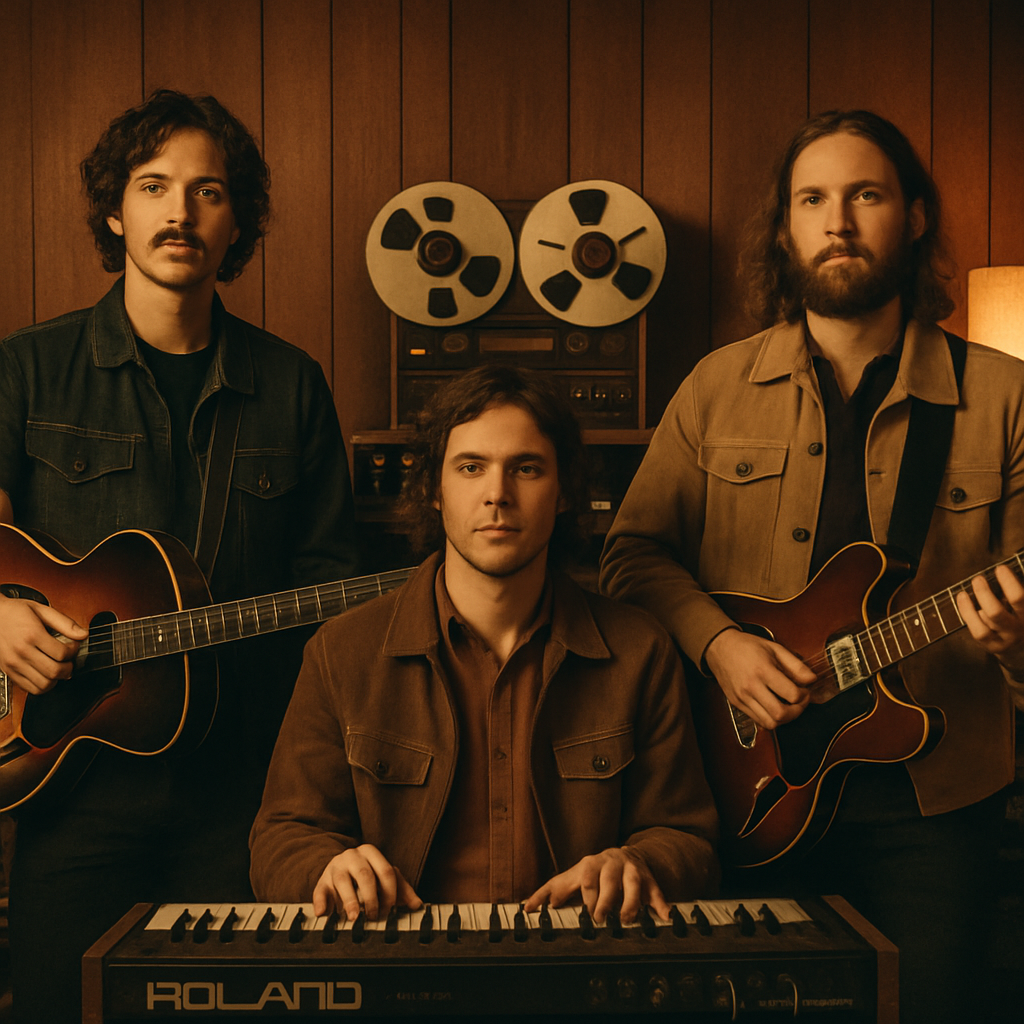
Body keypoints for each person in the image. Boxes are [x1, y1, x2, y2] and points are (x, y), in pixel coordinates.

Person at [600, 109, 1024, 1024]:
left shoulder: (1003, 395)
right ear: (785, 228)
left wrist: (1014, 640)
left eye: (865, 194)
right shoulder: (716, 387)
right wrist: (719, 648)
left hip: (936, 805)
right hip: (740, 788)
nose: (837, 220)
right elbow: (630, 555)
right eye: (813, 199)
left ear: (912, 216)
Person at [0, 90, 359, 1023]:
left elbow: (331, 584)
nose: (179, 211)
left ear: (237, 223)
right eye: (154, 186)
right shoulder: (27, 371)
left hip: (241, 791)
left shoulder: (289, 385)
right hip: (70, 782)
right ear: (115, 212)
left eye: (208, 192)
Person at [250, 364, 718, 925]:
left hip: (578, 965)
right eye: (471, 468)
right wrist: (324, 866)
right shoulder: (341, 652)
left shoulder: (641, 651)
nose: (497, 494)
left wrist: (641, 862)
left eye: (526, 468)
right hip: (400, 972)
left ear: (565, 492)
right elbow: (281, 836)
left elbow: (690, 839)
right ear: (435, 492)